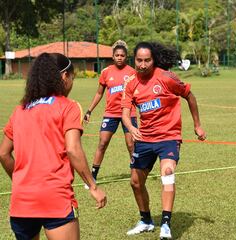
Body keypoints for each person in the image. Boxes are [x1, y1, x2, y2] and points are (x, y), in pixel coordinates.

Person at [0, 53, 107, 240]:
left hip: (22, 202)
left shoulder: (20, 110)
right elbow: (73, 149)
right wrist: (92, 185)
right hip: (55, 199)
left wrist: (21, 181)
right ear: (64, 77)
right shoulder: (68, 106)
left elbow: (3, 154)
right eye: (72, 78)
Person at [122, 42, 206, 239]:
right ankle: (146, 220)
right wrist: (132, 127)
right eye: (139, 60)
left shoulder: (166, 78)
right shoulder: (131, 83)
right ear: (134, 60)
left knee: (167, 173)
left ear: (154, 60)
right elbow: (125, 113)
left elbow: (189, 96)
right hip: (144, 138)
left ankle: (166, 225)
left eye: (147, 60)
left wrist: (197, 125)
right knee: (135, 182)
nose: (142, 65)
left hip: (169, 136)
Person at [83, 40, 137, 187]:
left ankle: (136, 174)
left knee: (131, 144)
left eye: (122, 55)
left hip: (129, 113)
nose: (119, 57)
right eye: (117, 55)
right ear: (113, 57)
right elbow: (99, 93)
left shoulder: (133, 72)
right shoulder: (106, 72)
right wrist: (89, 110)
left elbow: (138, 94)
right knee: (102, 143)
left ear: (126, 57)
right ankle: (92, 177)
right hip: (111, 113)